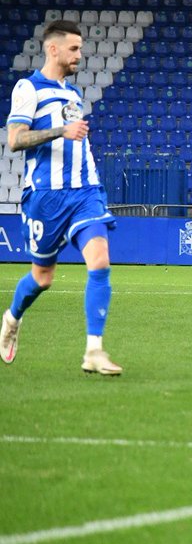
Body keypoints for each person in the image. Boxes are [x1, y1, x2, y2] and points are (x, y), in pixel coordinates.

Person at [0, 20, 121, 375]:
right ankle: (11, 318)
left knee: (99, 261)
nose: (79, 55)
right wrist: (60, 132)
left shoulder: (73, 93)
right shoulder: (28, 88)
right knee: (43, 277)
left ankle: (93, 350)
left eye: (80, 49)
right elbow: (15, 140)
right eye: (74, 49)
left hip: (85, 192)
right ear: (52, 48)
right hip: (47, 198)